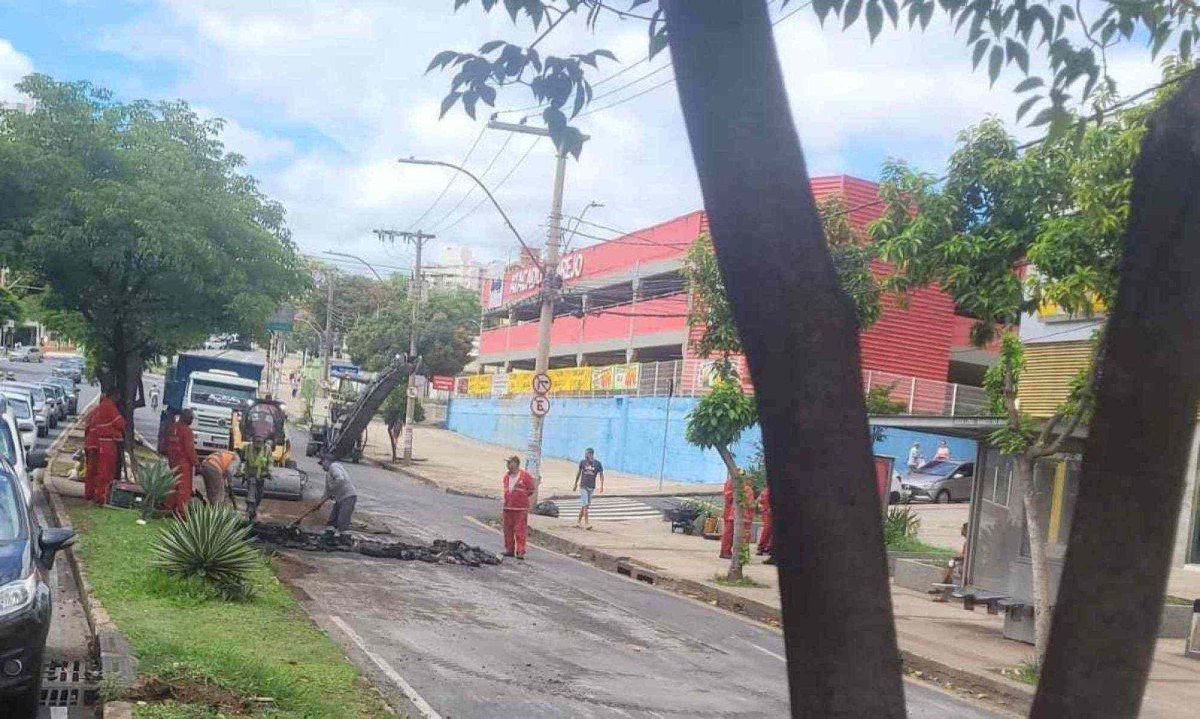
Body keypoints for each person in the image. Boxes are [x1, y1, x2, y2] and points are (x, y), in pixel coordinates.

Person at [84, 387, 126, 505]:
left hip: (93, 444)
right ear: (114, 396)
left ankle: (91, 494)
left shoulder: (95, 410)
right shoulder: (109, 406)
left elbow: (88, 428)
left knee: (93, 471)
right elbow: (120, 423)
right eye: (118, 396)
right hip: (106, 444)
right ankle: (102, 496)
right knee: (105, 472)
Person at [164, 409, 199, 518]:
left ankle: (168, 506)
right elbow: (190, 449)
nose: (192, 421)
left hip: (173, 461)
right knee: (184, 488)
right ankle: (181, 512)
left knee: (173, 485)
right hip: (184, 463)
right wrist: (196, 463)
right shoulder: (186, 431)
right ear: (186, 417)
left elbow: (167, 446)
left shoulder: (172, 428)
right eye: (191, 418)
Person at [311, 453, 358, 531]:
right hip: (340, 499)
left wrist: (333, 490)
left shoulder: (334, 467)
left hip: (348, 497)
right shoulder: (328, 474)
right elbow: (327, 493)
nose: (322, 466)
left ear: (326, 461)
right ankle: (329, 537)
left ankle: (344, 540)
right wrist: (319, 504)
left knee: (342, 521)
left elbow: (340, 479)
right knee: (332, 521)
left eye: (322, 463)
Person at [501, 456, 535, 559]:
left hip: (520, 509)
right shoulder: (506, 477)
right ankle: (509, 550)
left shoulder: (525, 476)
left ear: (516, 463)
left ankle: (520, 551)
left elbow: (531, 490)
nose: (507, 465)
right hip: (508, 507)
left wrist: (521, 498)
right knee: (508, 530)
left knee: (520, 531)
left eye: (509, 462)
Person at [719, 473, 754, 560]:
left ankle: (726, 551)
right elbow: (749, 504)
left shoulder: (735, 485)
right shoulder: (743, 488)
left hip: (733, 513)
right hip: (740, 515)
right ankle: (736, 554)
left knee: (729, 534)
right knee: (740, 535)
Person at [572, 448, 605, 529]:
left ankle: (578, 522)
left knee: (585, 506)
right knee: (585, 505)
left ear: (591, 454)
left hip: (591, 487)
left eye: (586, 453)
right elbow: (578, 473)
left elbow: (601, 475)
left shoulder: (598, 464)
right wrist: (575, 484)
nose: (585, 455)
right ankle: (587, 524)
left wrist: (601, 486)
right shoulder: (582, 462)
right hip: (583, 486)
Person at [756, 484, 774, 564]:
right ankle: (761, 547)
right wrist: (764, 509)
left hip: (769, 512)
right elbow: (760, 501)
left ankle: (768, 548)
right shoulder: (766, 491)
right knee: (767, 530)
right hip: (768, 513)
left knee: (771, 531)